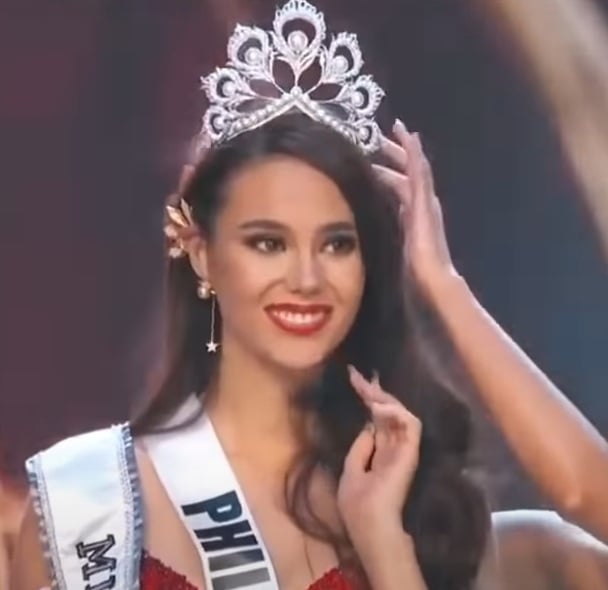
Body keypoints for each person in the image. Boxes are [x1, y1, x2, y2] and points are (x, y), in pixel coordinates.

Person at [9, 1, 608, 589]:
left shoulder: (435, 528)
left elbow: (591, 496)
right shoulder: (85, 509)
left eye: (338, 244)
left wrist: (444, 285)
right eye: (267, 242)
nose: (306, 277)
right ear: (201, 251)